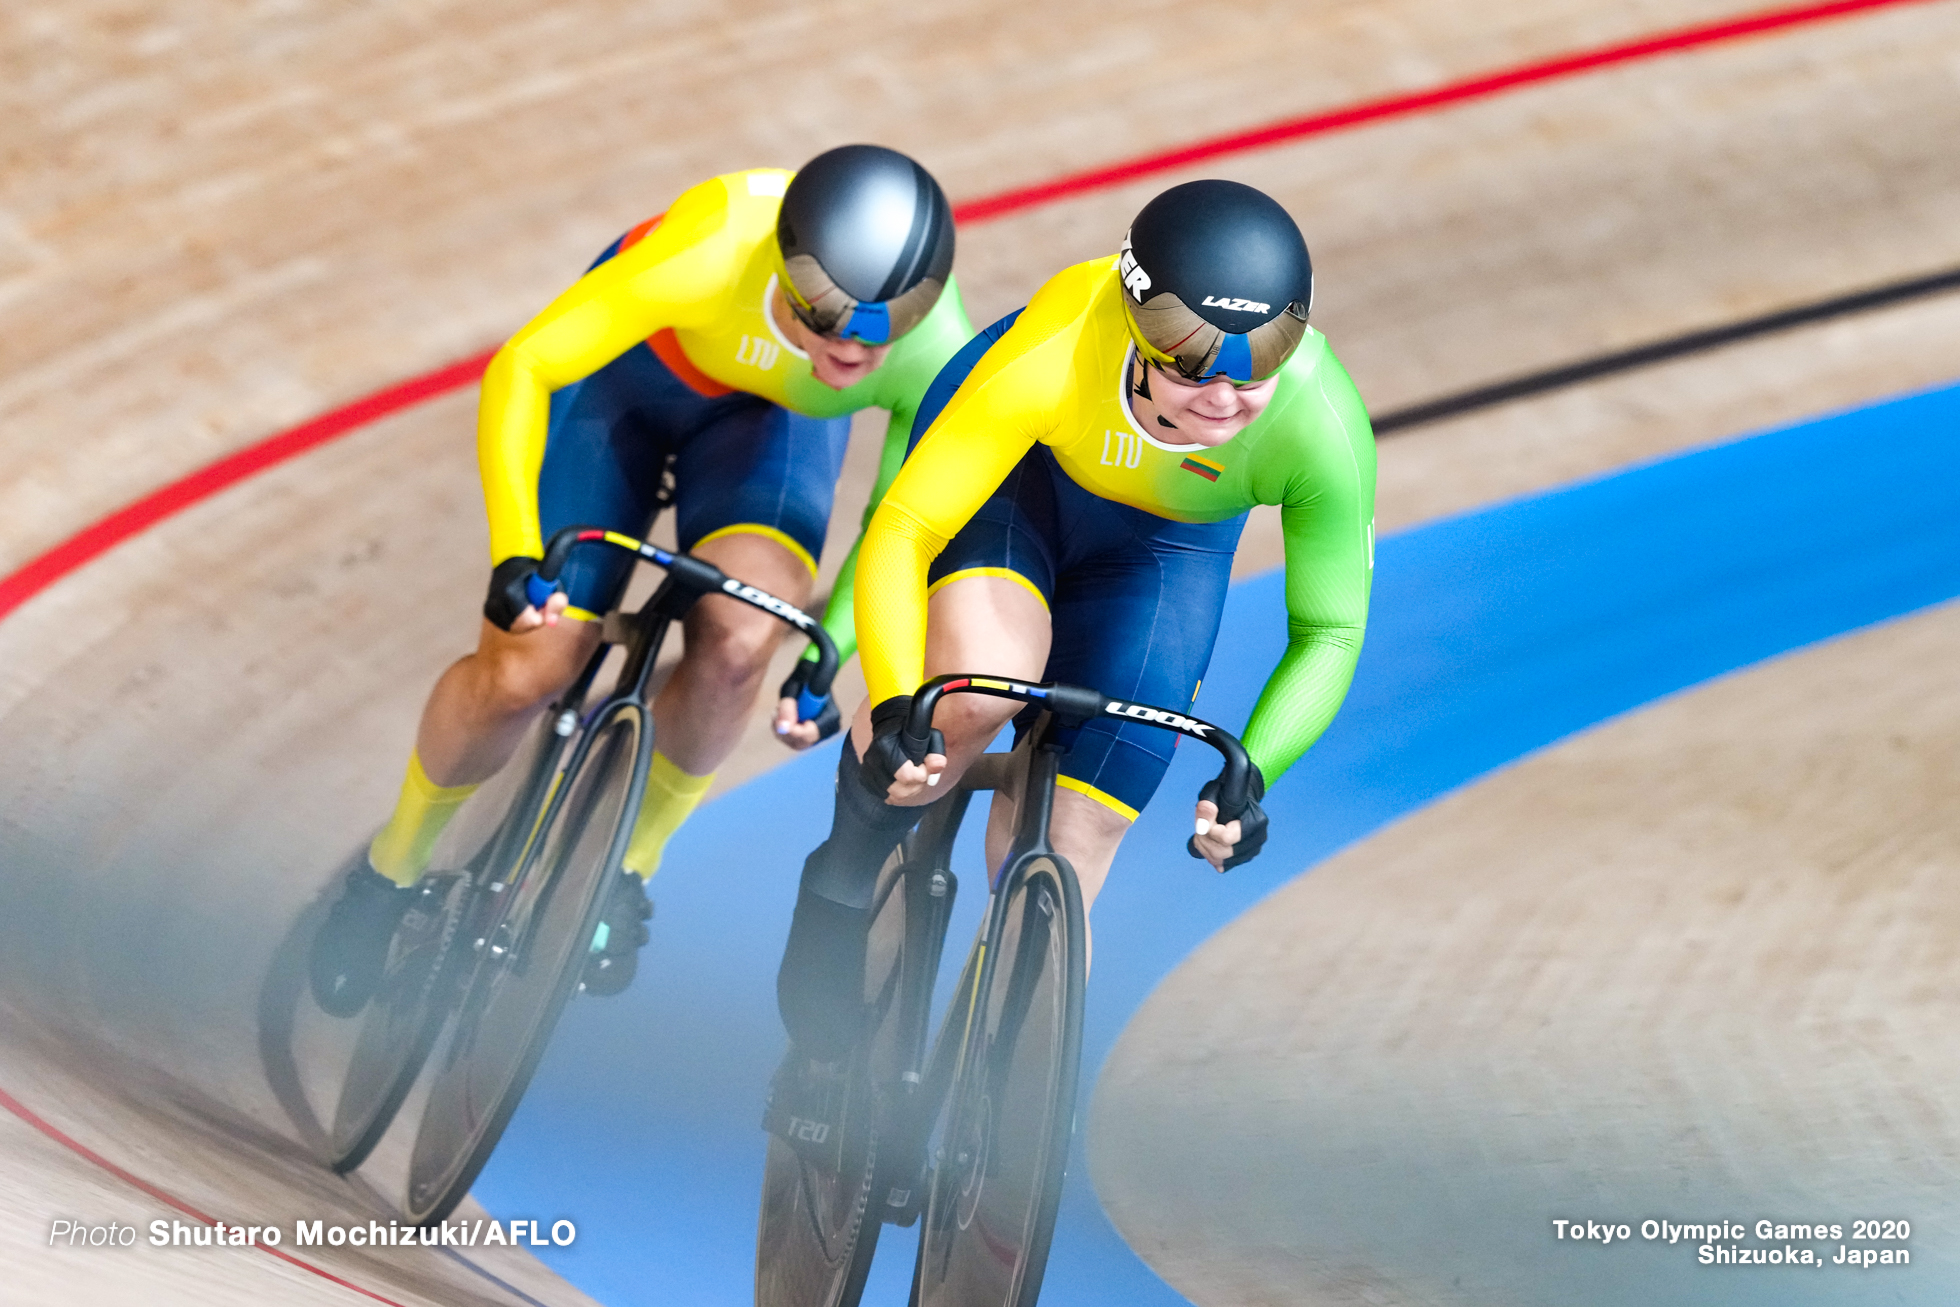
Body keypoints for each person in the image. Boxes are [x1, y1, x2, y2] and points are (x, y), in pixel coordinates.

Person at [310, 145, 973, 1016]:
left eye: (887, 320)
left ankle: (628, 866)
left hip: (768, 432)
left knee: (742, 641)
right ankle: (390, 868)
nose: (855, 342)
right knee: (529, 668)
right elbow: (528, 365)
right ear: (779, 265)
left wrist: (831, 652)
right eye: (826, 310)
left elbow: (900, 523)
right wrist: (515, 551)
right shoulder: (711, 249)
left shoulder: (935, 347)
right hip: (627, 389)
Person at [772, 178, 1376, 1063]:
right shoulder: (1060, 341)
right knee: (969, 701)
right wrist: (903, 698)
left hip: (1164, 555)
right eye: (1191, 351)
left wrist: (1256, 773)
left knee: (1081, 833)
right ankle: (846, 868)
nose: (1227, 390)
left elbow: (1330, 632)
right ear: (1136, 321)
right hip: (1019, 492)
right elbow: (904, 528)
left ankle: (995, 1091)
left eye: (1264, 351)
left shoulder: (1319, 421)